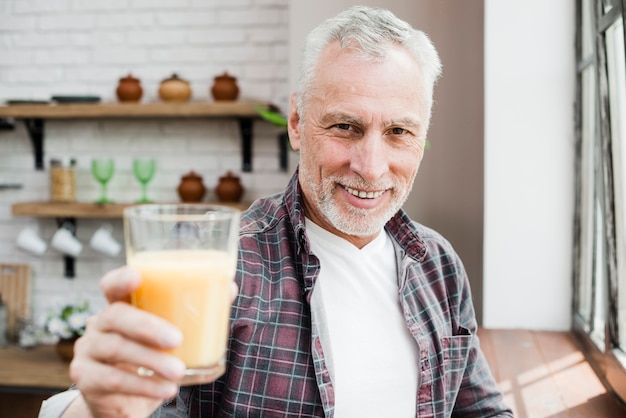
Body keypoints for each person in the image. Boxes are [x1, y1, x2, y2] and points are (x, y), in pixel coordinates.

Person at [40, 5, 513, 417]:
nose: (370, 168)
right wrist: (99, 410)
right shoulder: (225, 266)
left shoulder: (438, 263)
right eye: (345, 127)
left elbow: (481, 409)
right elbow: (125, 400)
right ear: (297, 125)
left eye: (399, 132)